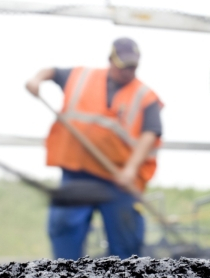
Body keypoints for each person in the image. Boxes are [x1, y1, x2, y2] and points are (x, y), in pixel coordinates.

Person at [25, 37, 163, 261]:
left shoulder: (145, 96)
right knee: (65, 228)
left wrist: (130, 170)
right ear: (111, 60)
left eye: (133, 66)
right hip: (77, 173)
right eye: (123, 65)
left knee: (125, 240)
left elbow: (151, 133)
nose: (128, 71)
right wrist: (36, 80)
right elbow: (51, 71)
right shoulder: (82, 77)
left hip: (118, 180)